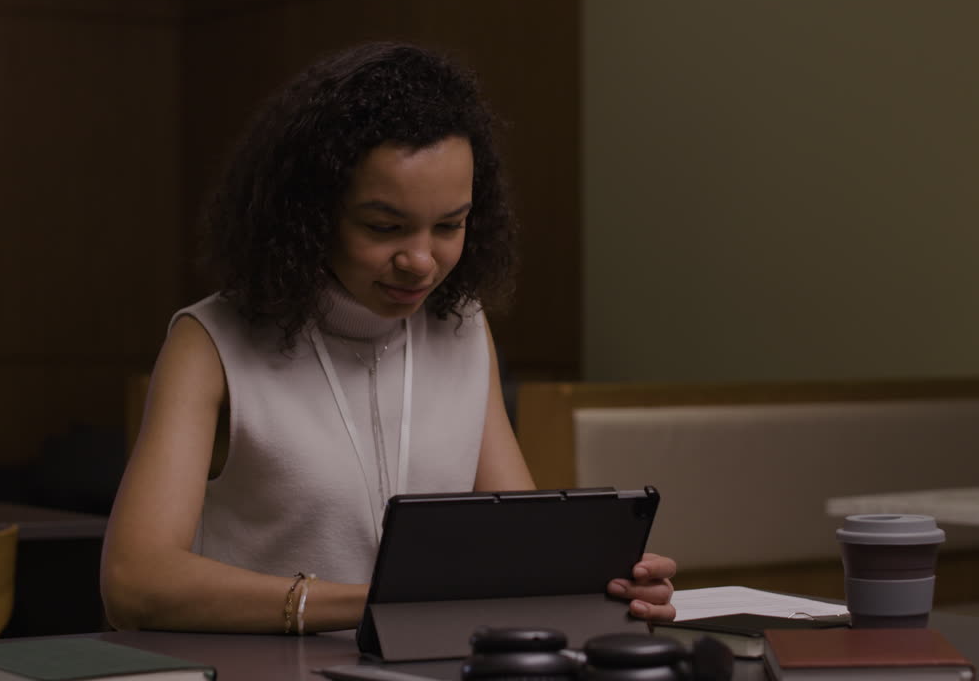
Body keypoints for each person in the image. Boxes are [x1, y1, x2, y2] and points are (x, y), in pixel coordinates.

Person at [100, 42, 677, 634]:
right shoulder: (209, 342)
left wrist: (602, 584)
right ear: (309, 213)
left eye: (450, 225)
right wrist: (384, 601)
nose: (422, 261)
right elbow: (135, 583)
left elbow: (519, 550)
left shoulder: (463, 326)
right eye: (384, 227)